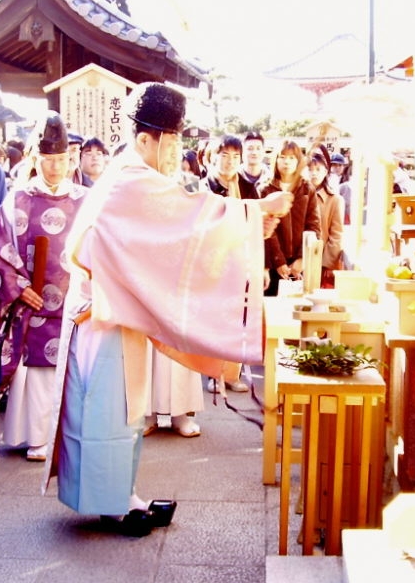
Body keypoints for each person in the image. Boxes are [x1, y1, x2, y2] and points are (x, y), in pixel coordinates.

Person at [42, 82, 293, 537]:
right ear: (144, 139)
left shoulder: (132, 174)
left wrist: (252, 220)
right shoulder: (130, 178)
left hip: (114, 310)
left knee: (123, 410)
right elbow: (192, 215)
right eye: (171, 140)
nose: (177, 150)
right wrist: (255, 214)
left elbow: (182, 230)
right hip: (103, 317)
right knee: (110, 410)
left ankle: (122, 495)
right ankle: (115, 504)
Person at [0, 115, 87, 461]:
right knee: (37, 371)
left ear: (71, 160)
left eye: (62, 160)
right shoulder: (17, 200)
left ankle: (69, 436)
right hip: (33, 299)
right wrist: (19, 286)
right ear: (36, 159)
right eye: (49, 160)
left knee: (75, 368)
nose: (55, 168)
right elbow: (1, 251)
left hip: (75, 298)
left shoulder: (85, 199)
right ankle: (38, 436)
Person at [200, 134, 263, 394]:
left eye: (235, 157)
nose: (229, 162)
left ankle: (231, 374)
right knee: (215, 320)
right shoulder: (205, 187)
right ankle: (213, 375)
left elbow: (258, 220)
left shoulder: (247, 187)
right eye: (224, 155)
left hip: (242, 260)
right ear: (212, 157)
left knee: (238, 320)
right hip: (214, 262)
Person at [260, 139, 322, 296]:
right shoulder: (265, 188)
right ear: (275, 160)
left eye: (292, 158)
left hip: (299, 266)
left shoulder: (307, 189)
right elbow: (264, 230)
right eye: (282, 157)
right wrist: (278, 261)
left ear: (298, 161)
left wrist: (302, 259)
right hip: (271, 266)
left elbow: (313, 226)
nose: (286, 162)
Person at [308, 145, 346, 289]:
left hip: (320, 262)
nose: (314, 174)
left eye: (318, 169)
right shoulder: (298, 196)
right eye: (310, 169)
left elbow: (336, 235)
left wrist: (327, 264)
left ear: (326, 172)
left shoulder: (335, 200)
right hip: (296, 262)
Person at [330, 152, 353, 225]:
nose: (337, 167)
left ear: (343, 167)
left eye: (340, 165)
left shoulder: (346, 178)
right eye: (334, 165)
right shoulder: (328, 178)